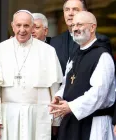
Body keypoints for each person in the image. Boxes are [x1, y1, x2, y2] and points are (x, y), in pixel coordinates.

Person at [0, 10, 63, 140]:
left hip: (39, 115)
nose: (22, 30)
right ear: (12, 26)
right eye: (18, 25)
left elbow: (55, 88)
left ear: (32, 27)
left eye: (26, 26)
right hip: (8, 115)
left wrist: (56, 120)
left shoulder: (48, 51)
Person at [49, 11, 116, 140]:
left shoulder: (102, 56)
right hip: (72, 120)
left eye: (79, 24)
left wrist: (71, 106)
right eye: (73, 25)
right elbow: (67, 83)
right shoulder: (75, 54)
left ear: (92, 27)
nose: (75, 28)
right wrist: (59, 97)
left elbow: (99, 93)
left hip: (94, 123)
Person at [50, 0, 112, 74]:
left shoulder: (100, 41)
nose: (70, 13)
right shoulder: (54, 42)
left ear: (85, 12)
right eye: (67, 10)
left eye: (75, 9)